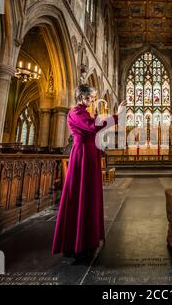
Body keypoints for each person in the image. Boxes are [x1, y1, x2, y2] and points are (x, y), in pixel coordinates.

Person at [51, 84, 126, 258]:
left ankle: (87, 238)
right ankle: (77, 241)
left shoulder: (84, 111)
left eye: (93, 97)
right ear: (82, 97)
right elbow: (92, 127)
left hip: (90, 156)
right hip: (82, 156)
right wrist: (117, 116)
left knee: (89, 195)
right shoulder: (76, 112)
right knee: (80, 194)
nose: (93, 100)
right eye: (91, 97)